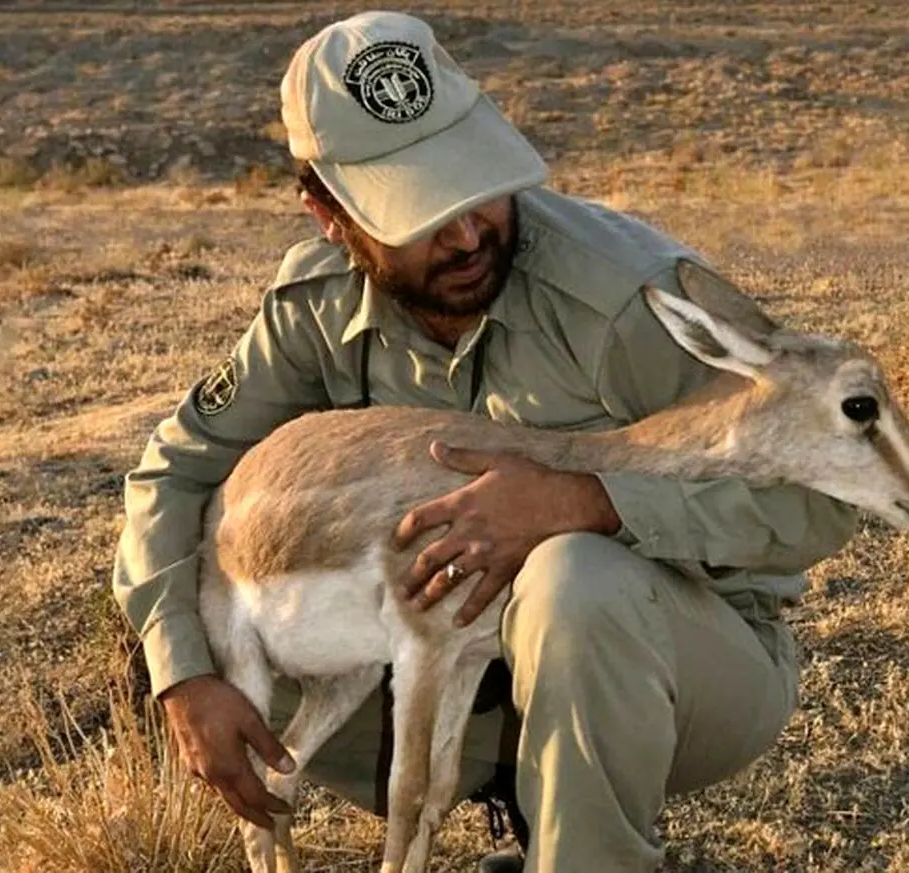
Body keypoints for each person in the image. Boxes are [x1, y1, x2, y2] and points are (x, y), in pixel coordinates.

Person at [112, 11, 857, 873]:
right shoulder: (312, 309)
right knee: (198, 607)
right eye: (420, 212)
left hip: (689, 659)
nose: (467, 234)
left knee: (572, 577)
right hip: (456, 666)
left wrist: (595, 503)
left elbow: (820, 497)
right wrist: (183, 673)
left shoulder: (621, 300)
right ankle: (532, 801)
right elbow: (173, 472)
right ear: (327, 214)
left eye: (475, 189)